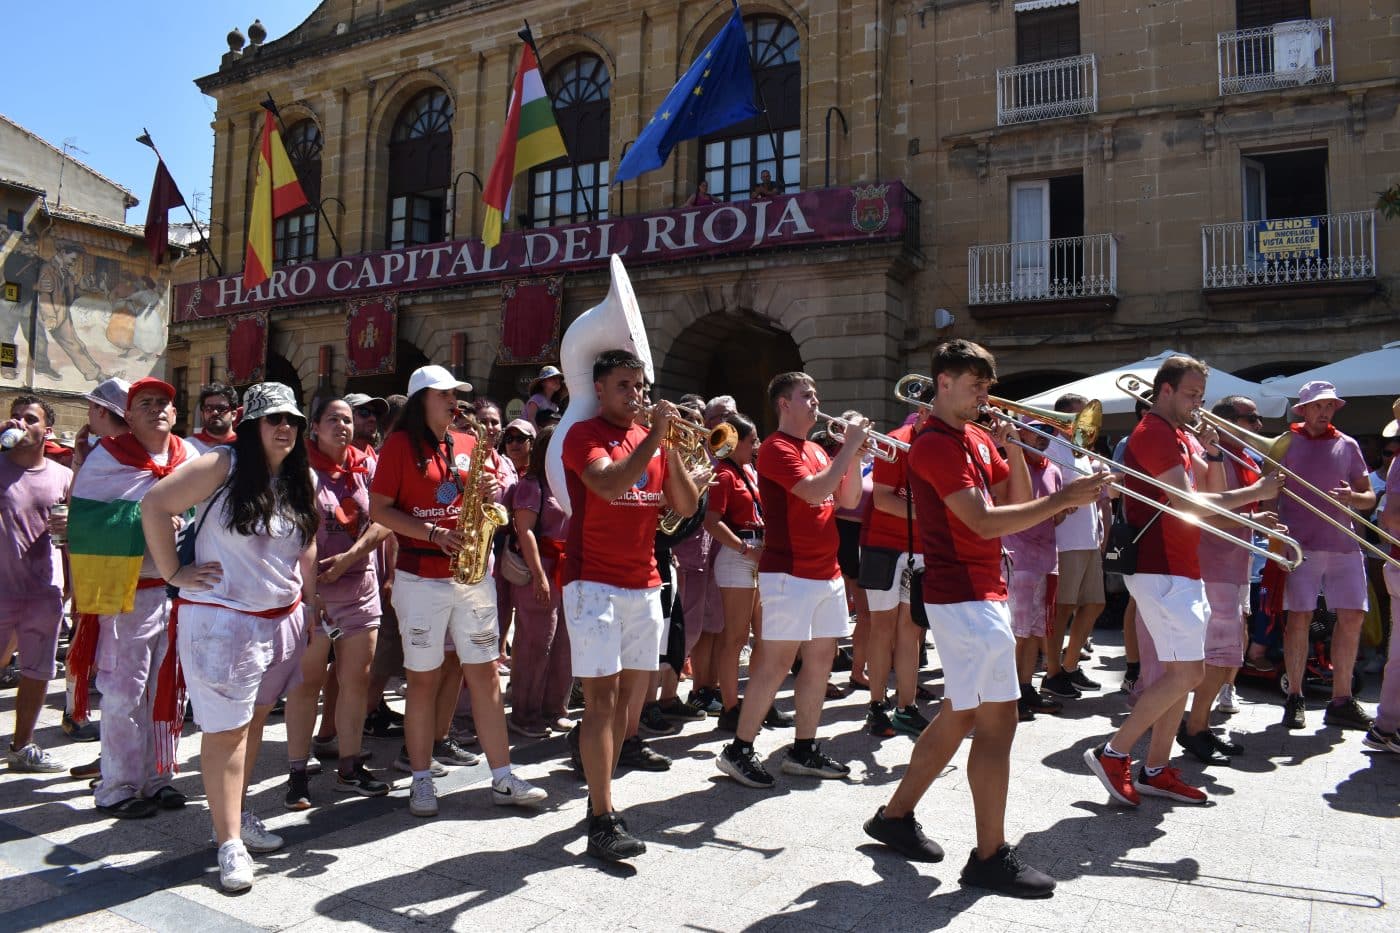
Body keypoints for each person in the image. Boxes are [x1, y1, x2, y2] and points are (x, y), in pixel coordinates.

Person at [861, 339, 1110, 898]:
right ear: (942, 382)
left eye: (986, 387)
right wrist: (1062, 497)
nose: (983, 397)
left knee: (958, 715)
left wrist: (1016, 448)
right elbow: (980, 522)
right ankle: (989, 856)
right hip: (962, 595)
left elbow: (1013, 501)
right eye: (974, 386)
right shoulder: (932, 445)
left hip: (984, 592)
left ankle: (894, 817)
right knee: (999, 723)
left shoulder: (974, 435)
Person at [141, 382, 321, 892]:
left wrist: (308, 601)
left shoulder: (297, 476)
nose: (285, 428)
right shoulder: (222, 464)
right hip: (222, 622)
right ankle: (228, 842)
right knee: (225, 732)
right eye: (273, 419)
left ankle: (237, 819)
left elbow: (304, 542)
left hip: (279, 619)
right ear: (251, 425)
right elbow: (154, 505)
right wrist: (174, 572)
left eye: (292, 420)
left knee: (253, 723)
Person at [1084, 355, 1280, 809]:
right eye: (1191, 395)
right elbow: (1189, 504)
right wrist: (1254, 492)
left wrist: (1211, 454)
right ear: (1165, 391)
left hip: (1181, 566)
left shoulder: (1180, 436)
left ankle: (1155, 767)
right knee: (1190, 671)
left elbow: (1205, 497)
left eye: (1201, 396)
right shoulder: (1153, 433)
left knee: (1182, 673)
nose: (1197, 404)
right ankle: (1112, 753)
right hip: (1161, 567)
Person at [368, 364, 545, 818]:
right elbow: (381, 509)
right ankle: (421, 779)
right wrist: (430, 532)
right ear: (422, 398)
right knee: (423, 679)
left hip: (471, 577)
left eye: (456, 394)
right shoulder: (398, 448)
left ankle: (503, 776)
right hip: (421, 577)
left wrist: (486, 494)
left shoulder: (469, 443)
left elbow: (484, 500)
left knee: (484, 674)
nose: (454, 401)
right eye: (445, 394)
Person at [560, 349, 699, 861]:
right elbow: (607, 483)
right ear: (599, 389)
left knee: (628, 704)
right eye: (623, 385)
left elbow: (683, 507)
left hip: (645, 582)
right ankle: (601, 814)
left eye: (639, 385)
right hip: (591, 581)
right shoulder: (582, 435)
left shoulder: (653, 441)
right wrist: (656, 441)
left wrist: (674, 448)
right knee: (600, 701)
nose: (635, 395)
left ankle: (603, 798)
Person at [716, 372, 868, 790]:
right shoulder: (775, 449)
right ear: (784, 403)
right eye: (806, 395)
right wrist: (850, 447)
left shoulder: (819, 449)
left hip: (826, 571)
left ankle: (804, 747)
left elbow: (849, 500)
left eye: (816, 393)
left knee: (820, 662)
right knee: (775, 664)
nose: (816, 400)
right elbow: (814, 492)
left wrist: (852, 458)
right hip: (789, 571)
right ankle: (739, 749)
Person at [70, 378, 197, 819]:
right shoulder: (108, 459)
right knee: (124, 691)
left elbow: (208, 511)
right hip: (128, 594)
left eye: (164, 402)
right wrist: (154, 523)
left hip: (182, 593)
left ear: (176, 414)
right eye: (145, 403)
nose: (157, 409)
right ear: (129, 413)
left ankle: (159, 777)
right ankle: (117, 787)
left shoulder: (190, 457)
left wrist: (185, 521)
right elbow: (87, 523)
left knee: (169, 689)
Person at [282, 398, 392, 809]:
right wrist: (312, 592)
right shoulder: (299, 471)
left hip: (359, 588)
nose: (344, 426)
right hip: (312, 594)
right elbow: (292, 535)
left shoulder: (367, 465)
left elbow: (384, 518)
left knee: (356, 681)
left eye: (348, 420)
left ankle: (349, 765)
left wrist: (350, 556)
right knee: (307, 683)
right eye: (334, 420)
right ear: (314, 426)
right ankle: (297, 771)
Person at [1276, 380, 1376, 731]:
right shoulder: (1284, 443)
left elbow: (1368, 498)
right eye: (1317, 405)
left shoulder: (1347, 444)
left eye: (1329, 405)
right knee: (1299, 619)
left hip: (1343, 544)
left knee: (1352, 618)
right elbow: (1267, 490)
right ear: (1302, 409)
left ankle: (1342, 698)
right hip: (1300, 544)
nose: (1324, 411)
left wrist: (1354, 498)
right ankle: (1296, 696)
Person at [1177, 395, 1269, 764]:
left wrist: (1258, 520)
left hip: (1235, 566)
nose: (1260, 427)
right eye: (1252, 419)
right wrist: (1253, 519)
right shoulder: (1209, 455)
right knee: (1219, 655)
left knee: (1226, 656)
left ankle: (1200, 725)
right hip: (1214, 568)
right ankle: (1195, 728)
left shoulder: (1241, 458)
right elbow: (1206, 515)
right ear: (1230, 421)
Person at [0, 395, 71, 773]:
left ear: (47, 430)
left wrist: (73, 581)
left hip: (45, 590)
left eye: (29, 418)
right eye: (15, 417)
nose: (20, 423)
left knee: (37, 670)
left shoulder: (63, 476)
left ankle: (21, 746)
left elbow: (75, 533)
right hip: (2, 589)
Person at [859, 408, 932, 738]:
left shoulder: (947, 444)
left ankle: (906, 706)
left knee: (912, 631)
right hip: (885, 548)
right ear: (924, 411)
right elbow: (884, 500)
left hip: (921, 548)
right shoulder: (896, 442)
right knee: (882, 629)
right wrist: (936, 516)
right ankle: (876, 706)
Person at [1040, 394, 1111, 701]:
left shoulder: (1081, 452)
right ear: (1063, 418)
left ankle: (1068, 666)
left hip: (1086, 540)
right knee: (1062, 610)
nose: (1085, 422)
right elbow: (1054, 493)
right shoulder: (1052, 447)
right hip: (1065, 541)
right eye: (1078, 416)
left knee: (1095, 604)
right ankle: (1053, 673)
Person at [505, 425, 571, 736]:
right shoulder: (532, 484)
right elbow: (525, 530)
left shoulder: (568, 482)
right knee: (535, 643)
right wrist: (540, 576)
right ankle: (524, 713)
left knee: (563, 644)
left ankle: (554, 708)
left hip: (567, 569)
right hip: (541, 568)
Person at [704, 414, 764, 729]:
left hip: (757, 553)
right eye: (752, 440)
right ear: (737, 442)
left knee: (764, 636)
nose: (756, 446)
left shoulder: (749, 471)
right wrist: (745, 549)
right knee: (736, 637)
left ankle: (756, 702)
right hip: (738, 556)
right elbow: (712, 521)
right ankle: (730, 707)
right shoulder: (725, 474)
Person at [1003, 423, 1066, 722]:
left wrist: (1068, 505)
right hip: (1018, 558)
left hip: (1044, 559)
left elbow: (1054, 517)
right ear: (1019, 432)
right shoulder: (1008, 465)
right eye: (1037, 429)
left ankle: (1025, 687)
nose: (1044, 436)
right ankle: (1009, 694)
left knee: (1034, 632)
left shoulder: (1053, 469)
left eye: (1049, 432)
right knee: (1017, 633)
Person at [189, 383, 239, 453]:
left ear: (234, 415)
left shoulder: (244, 446)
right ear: (202, 414)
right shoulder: (187, 447)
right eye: (208, 408)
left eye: (221, 408)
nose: (214, 412)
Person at [344, 393, 390, 463]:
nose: (373, 419)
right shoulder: (332, 457)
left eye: (376, 414)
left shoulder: (379, 462)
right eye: (364, 412)